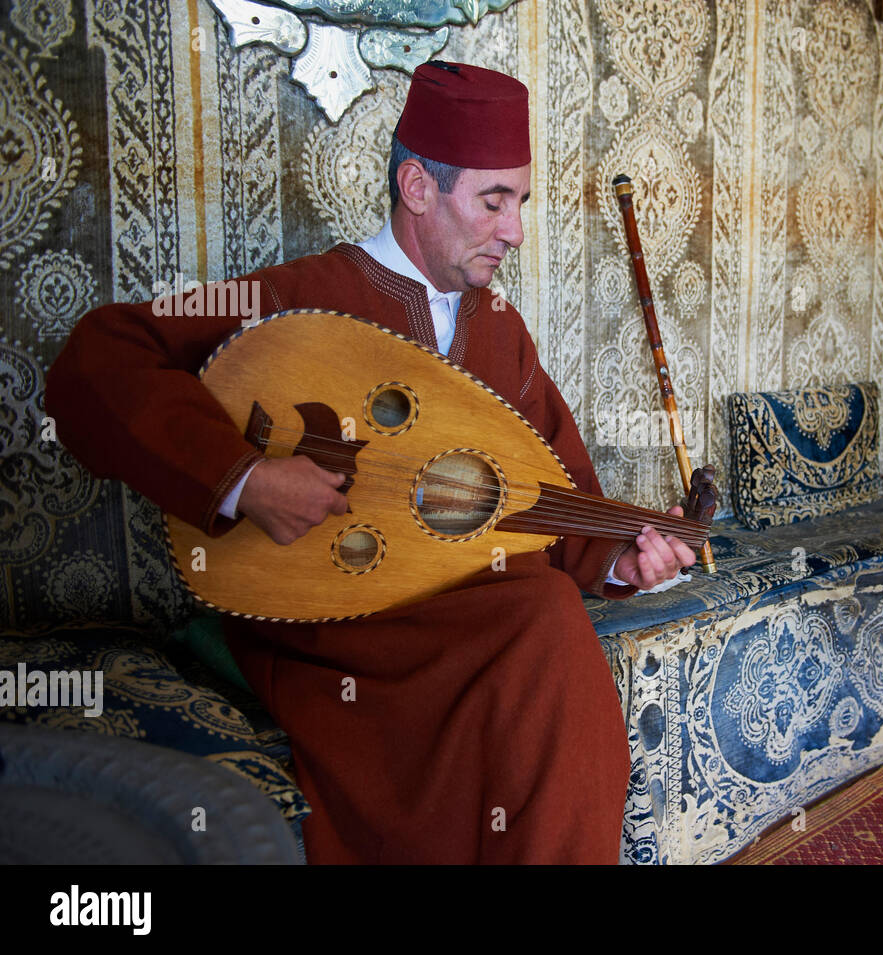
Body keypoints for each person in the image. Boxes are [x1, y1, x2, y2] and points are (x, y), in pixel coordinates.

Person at [45, 61, 695, 864]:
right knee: (547, 624)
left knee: (545, 615)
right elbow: (96, 358)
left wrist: (627, 555)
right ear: (418, 186)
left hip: (480, 616)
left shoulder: (500, 330)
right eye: (494, 200)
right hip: (332, 626)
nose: (516, 229)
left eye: (520, 202)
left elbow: (552, 499)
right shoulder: (296, 296)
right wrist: (245, 478)